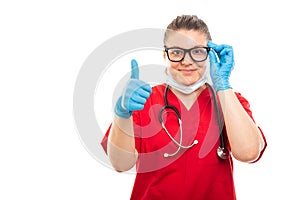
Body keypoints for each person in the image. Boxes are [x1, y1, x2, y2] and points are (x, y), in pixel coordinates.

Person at [101, 15, 267, 200]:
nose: (187, 61)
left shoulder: (230, 102)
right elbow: (121, 164)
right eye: (177, 52)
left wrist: (223, 85)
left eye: (197, 52)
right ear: (165, 55)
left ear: (210, 54)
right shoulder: (142, 100)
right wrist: (122, 114)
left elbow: (248, 153)